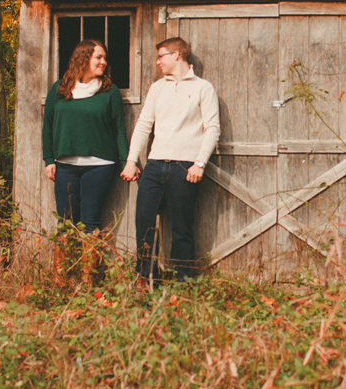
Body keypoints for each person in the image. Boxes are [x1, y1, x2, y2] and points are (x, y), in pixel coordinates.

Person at [121, 37, 220, 284]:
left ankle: (182, 283)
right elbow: (144, 125)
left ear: (177, 55)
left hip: (185, 167)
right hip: (154, 166)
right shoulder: (157, 88)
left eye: (161, 56)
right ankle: (146, 280)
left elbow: (213, 128)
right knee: (143, 223)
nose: (158, 62)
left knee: (182, 229)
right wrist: (132, 160)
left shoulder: (202, 88)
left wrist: (200, 163)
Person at [42, 39, 129, 284]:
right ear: (83, 58)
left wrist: (126, 162)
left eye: (104, 58)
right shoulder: (59, 89)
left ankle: (87, 281)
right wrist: (49, 159)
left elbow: (118, 130)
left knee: (91, 222)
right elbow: (47, 126)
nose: (103, 62)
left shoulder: (109, 91)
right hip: (65, 165)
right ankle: (60, 279)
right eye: (98, 57)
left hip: (100, 165)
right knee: (65, 222)